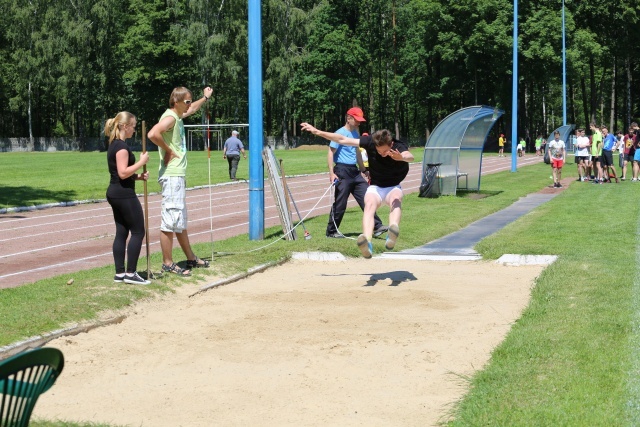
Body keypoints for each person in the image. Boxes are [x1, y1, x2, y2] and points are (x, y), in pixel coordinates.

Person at [301, 123, 414, 258]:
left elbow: (410, 156)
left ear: (390, 144)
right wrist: (317, 131)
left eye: (385, 151)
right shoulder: (370, 142)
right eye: (379, 151)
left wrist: (401, 157)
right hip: (376, 186)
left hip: (393, 186)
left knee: (396, 199)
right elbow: (342, 139)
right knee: (369, 205)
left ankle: (392, 231)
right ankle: (367, 241)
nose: (382, 154)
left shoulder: (398, 146)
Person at [147, 86, 213, 276]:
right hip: (172, 175)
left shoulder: (177, 115)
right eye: (186, 101)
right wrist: (169, 151)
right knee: (170, 220)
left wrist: (205, 98)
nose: (189, 104)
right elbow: (152, 134)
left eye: (190, 100)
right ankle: (167, 262)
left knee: (179, 220)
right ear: (175, 102)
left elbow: (192, 110)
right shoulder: (170, 117)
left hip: (177, 174)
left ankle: (190, 258)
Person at [104, 112, 151, 285]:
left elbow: (120, 173)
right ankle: (131, 273)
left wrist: (138, 176)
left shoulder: (114, 145)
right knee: (138, 231)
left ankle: (120, 273)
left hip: (115, 192)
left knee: (122, 232)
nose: (134, 129)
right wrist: (141, 161)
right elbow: (123, 172)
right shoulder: (122, 147)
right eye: (133, 126)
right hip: (123, 194)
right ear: (125, 126)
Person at [325, 107, 386, 239]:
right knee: (341, 203)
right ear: (349, 118)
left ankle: (377, 226)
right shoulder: (339, 133)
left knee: (367, 197)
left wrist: (364, 169)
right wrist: (331, 173)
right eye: (357, 120)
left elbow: (358, 153)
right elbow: (330, 152)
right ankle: (331, 231)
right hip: (342, 170)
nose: (359, 123)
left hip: (354, 171)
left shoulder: (355, 134)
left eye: (360, 120)